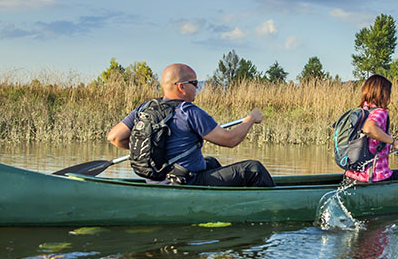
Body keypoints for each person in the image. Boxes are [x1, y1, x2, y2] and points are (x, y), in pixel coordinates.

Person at [107, 63, 274, 187]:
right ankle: (273, 206)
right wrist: (251, 119)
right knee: (254, 169)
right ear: (181, 87)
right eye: (194, 83)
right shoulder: (188, 111)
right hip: (185, 182)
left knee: (211, 163)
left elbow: (114, 137)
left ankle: (224, 199)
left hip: (157, 180)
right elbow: (230, 140)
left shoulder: (144, 108)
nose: (197, 88)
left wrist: (154, 148)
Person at [344, 74, 398, 183]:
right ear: (383, 94)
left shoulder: (357, 113)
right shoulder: (380, 112)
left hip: (350, 177)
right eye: (388, 93)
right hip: (373, 178)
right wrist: (393, 142)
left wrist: (388, 146)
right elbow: (369, 129)